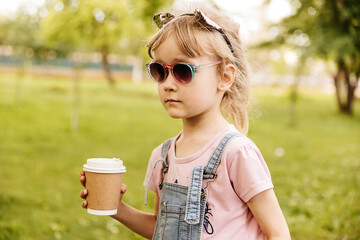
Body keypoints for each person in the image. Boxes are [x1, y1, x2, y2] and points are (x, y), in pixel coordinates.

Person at [80, 5, 291, 240]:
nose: (168, 83)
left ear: (225, 77)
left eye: (183, 70)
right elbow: (162, 229)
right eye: (160, 70)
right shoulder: (163, 157)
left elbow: (278, 233)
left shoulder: (237, 154)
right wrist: (116, 207)